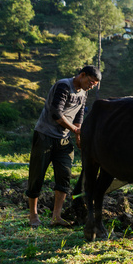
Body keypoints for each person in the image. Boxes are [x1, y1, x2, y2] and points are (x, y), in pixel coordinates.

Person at [26, 65, 101, 227]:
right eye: (90, 81)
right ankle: (33, 216)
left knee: (64, 176)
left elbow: (80, 114)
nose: (91, 85)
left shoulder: (83, 93)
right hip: (45, 135)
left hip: (64, 140)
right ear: (82, 75)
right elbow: (56, 113)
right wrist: (75, 129)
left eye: (94, 84)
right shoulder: (63, 86)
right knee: (37, 175)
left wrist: (78, 135)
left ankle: (56, 217)